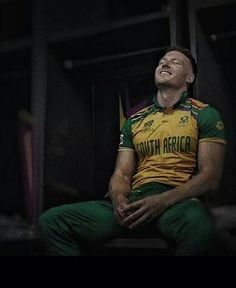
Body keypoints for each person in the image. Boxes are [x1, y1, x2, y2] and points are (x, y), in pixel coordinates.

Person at [39, 46, 227, 256]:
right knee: (52, 221)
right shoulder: (135, 120)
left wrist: (162, 201)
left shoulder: (204, 114)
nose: (165, 63)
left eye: (175, 62)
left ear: (189, 77)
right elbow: (121, 174)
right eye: (162, 60)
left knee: (201, 227)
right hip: (135, 201)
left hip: (176, 202)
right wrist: (119, 201)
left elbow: (211, 177)